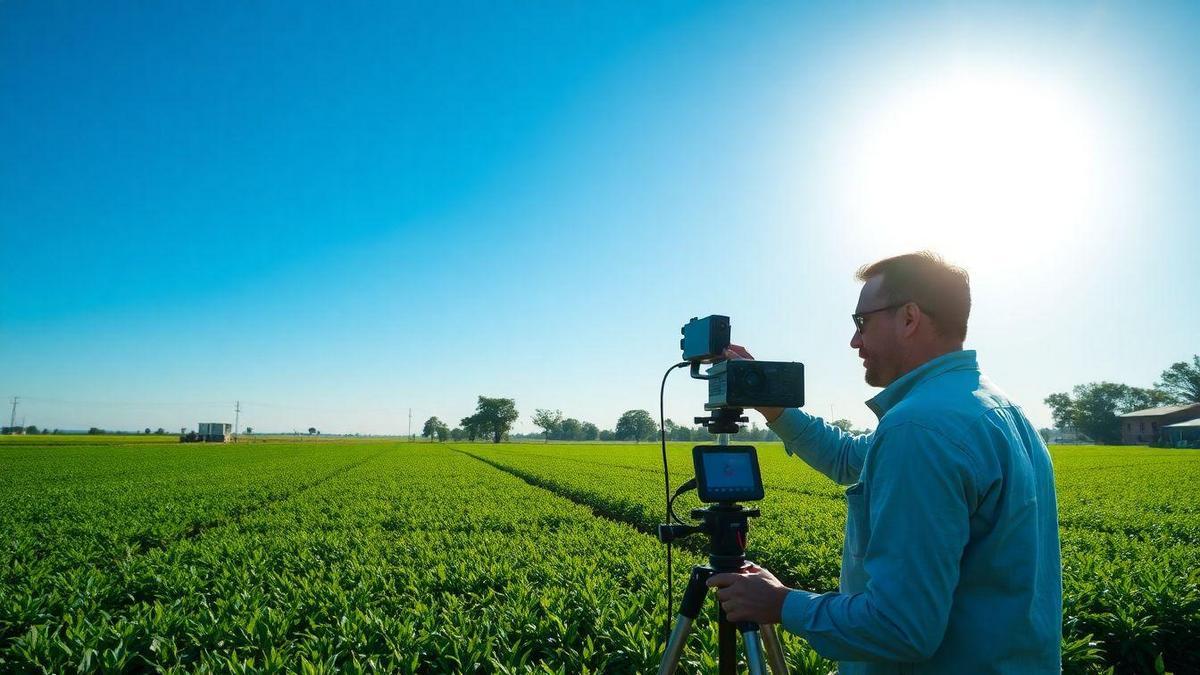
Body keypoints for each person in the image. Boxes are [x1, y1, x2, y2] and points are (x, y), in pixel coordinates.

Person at [707, 251, 1061, 674]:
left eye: (861, 323)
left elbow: (901, 626)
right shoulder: (996, 408)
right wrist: (773, 404)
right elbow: (846, 458)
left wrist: (781, 603)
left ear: (909, 318)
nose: (855, 342)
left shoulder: (920, 427)